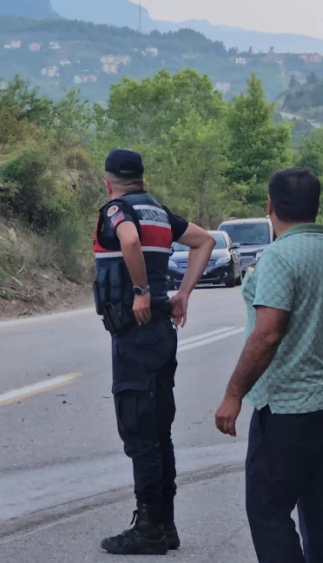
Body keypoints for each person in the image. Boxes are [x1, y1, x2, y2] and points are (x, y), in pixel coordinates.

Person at [215, 168, 323, 563]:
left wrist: (234, 394)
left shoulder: (278, 258)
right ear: (316, 207)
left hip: (286, 414)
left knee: (268, 511)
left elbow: (268, 333)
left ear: (271, 205)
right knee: (321, 512)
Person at [94, 149, 216, 556]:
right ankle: (165, 525)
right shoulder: (160, 213)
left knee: (138, 429)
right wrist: (182, 294)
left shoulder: (116, 209)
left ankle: (149, 528)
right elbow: (205, 240)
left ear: (108, 181)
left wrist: (142, 291)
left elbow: (127, 238)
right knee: (159, 429)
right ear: (142, 179)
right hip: (163, 331)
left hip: (136, 333)